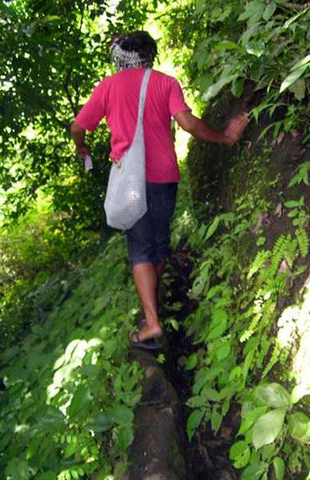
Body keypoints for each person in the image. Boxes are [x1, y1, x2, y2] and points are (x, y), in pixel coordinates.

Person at [71, 31, 248, 350]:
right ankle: (154, 305)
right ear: (150, 55)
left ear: (120, 57)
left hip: (131, 181)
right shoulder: (166, 83)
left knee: (139, 249)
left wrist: (82, 148)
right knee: (159, 243)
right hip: (164, 177)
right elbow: (188, 123)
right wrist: (225, 137)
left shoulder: (108, 86)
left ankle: (151, 323)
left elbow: (78, 127)